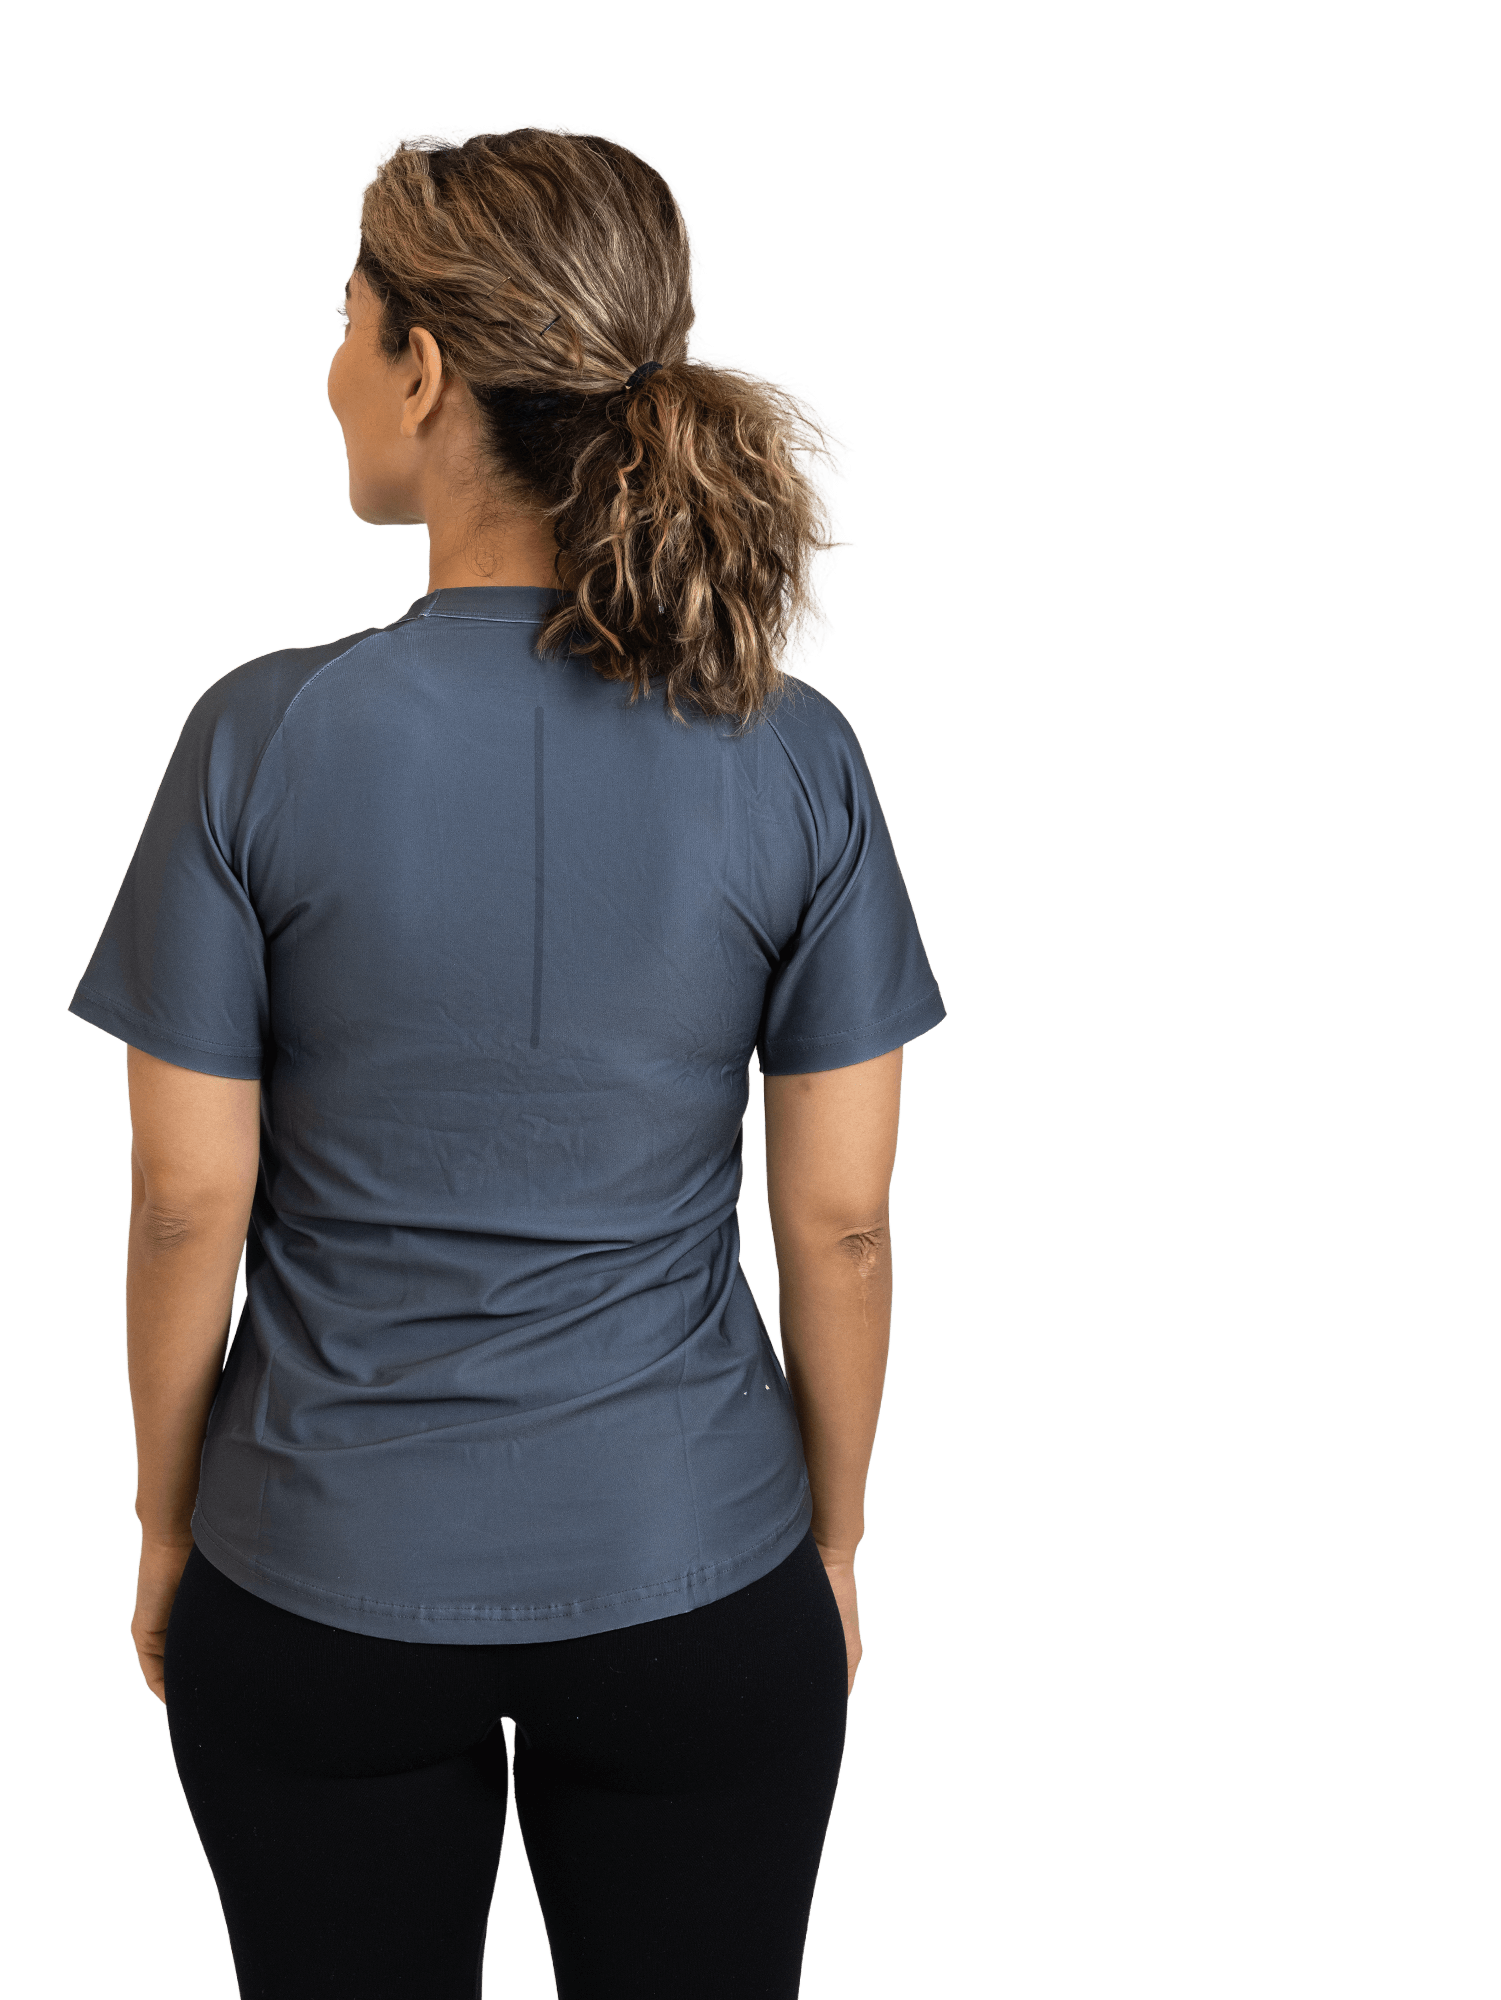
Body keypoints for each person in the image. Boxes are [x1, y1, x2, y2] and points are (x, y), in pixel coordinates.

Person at [68, 119, 946, 1999]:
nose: (331, 368)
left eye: (344, 321)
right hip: (696, 1568)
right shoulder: (796, 753)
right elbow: (844, 1221)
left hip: (313, 1578)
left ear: (425, 368)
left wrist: (162, 1527)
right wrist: (835, 1547)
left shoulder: (257, 737)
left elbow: (185, 1199)